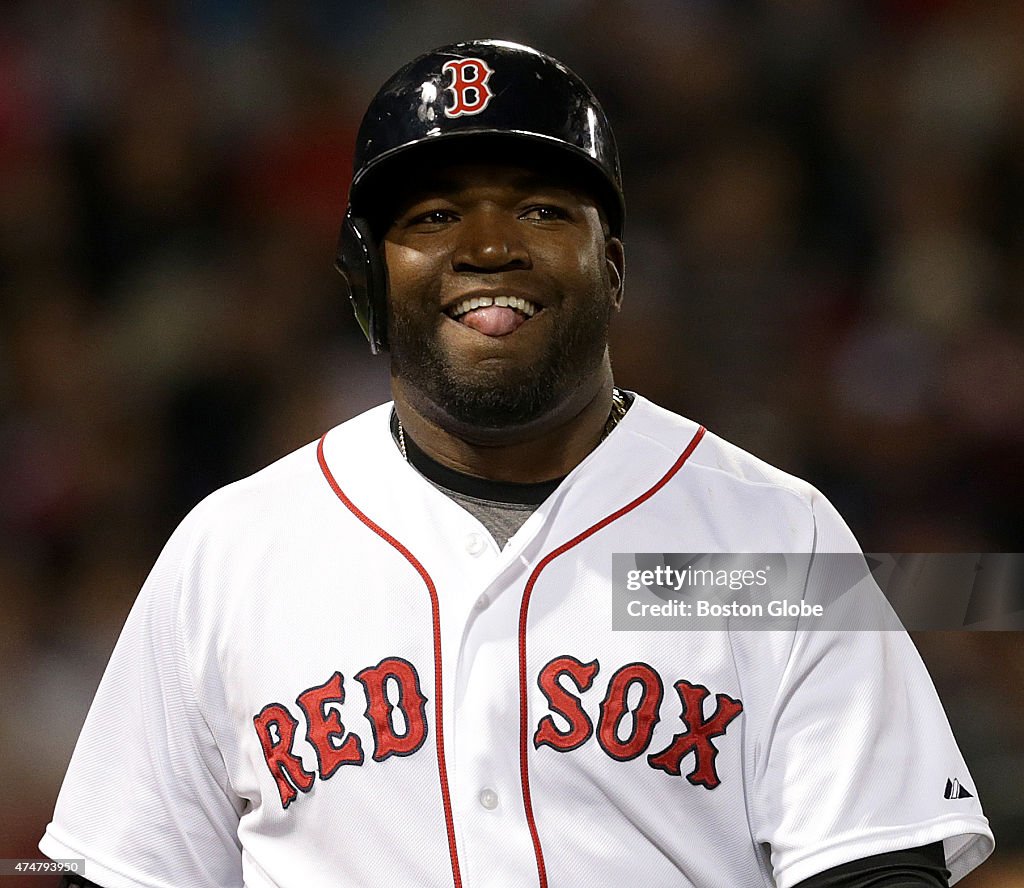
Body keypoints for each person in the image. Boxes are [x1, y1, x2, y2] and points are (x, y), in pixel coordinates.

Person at [42, 39, 993, 888]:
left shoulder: (772, 539)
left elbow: (873, 864)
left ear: (613, 265)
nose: (488, 247)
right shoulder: (233, 550)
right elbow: (130, 866)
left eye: (540, 209)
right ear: (370, 276)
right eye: (432, 218)